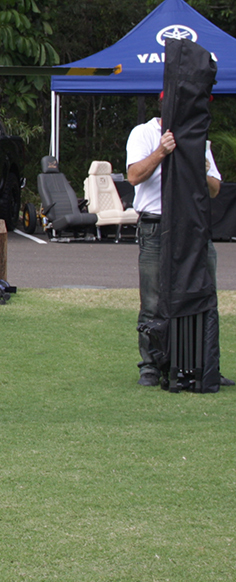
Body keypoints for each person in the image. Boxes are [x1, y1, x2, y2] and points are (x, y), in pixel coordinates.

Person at [125, 113, 224, 386]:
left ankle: (206, 365)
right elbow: (134, 176)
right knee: (153, 299)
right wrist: (161, 151)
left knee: (205, 295)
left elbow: (215, 189)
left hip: (193, 226)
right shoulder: (143, 133)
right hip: (156, 225)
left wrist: (201, 166)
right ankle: (151, 366)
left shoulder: (198, 138)